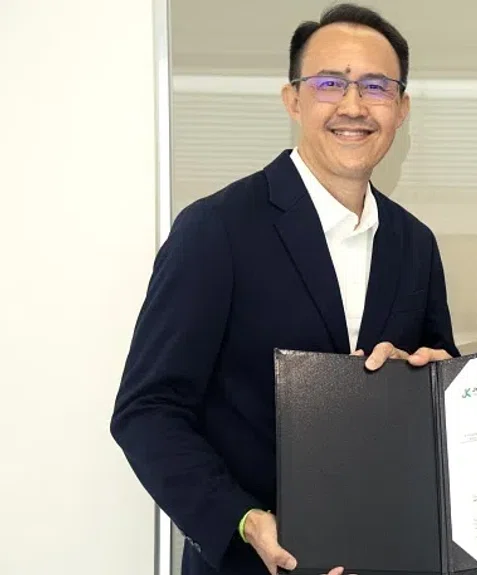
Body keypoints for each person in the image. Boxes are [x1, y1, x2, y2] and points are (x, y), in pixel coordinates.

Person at [109, 4, 457, 575]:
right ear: (292, 99)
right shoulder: (216, 229)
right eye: (329, 83)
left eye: (376, 86)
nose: (353, 106)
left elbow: (435, 385)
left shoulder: (414, 243)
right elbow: (147, 410)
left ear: (402, 108)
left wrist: (436, 378)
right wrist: (241, 518)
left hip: (385, 558)